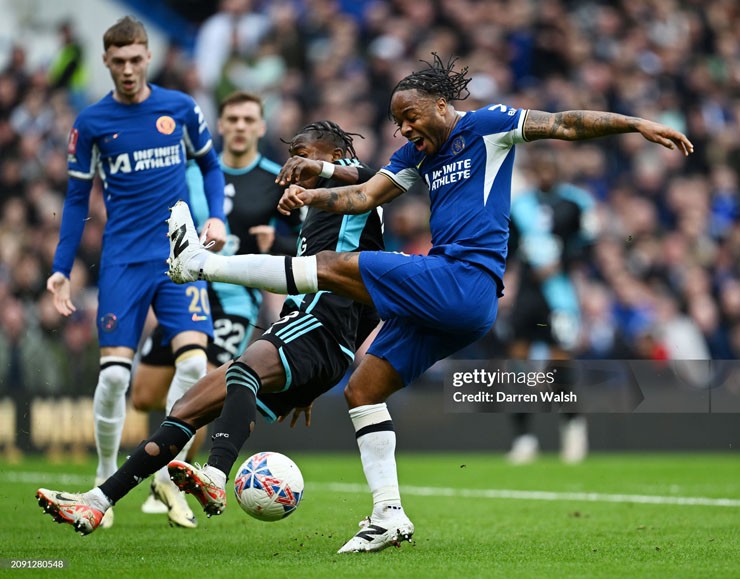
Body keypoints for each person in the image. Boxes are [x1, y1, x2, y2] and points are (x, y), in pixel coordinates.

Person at [158, 53, 692, 553]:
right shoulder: (416, 155)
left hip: (466, 278)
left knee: (334, 269)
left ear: (442, 104)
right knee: (364, 387)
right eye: (398, 122)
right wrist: (315, 193)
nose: (405, 129)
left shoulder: (488, 126)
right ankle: (389, 514)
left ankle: (200, 265)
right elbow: (363, 197)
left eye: (410, 118)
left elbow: (566, 124)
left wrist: (635, 123)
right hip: (446, 296)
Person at [35, 121, 383, 535]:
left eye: (305, 153)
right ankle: (96, 502)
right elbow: (372, 306)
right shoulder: (321, 211)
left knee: (243, 370)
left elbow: (369, 180)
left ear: (337, 156)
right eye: (295, 153)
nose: (296, 161)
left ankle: (216, 474)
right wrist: (331, 365)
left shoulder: (364, 192)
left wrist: (335, 352)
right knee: (185, 409)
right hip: (309, 337)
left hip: (317, 328)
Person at [44, 16, 227, 530]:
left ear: (148, 57)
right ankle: (104, 477)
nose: (127, 69)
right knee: (114, 379)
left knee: (194, 365)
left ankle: (168, 472)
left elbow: (211, 166)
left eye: (135, 59)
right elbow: (77, 198)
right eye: (117, 61)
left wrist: (215, 216)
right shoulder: (92, 123)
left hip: (177, 259)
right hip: (123, 260)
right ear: (106, 61)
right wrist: (61, 269)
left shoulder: (180, 108)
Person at [133, 90, 301, 515]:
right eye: (233, 119)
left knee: (204, 387)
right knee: (143, 395)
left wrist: (276, 241)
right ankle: (173, 449)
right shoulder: (194, 173)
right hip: (186, 295)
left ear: (261, 127)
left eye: (249, 119)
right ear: (220, 125)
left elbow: (304, 245)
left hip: (233, 303)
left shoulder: (275, 179)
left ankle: (169, 483)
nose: (241, 126)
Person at [505, 146, 597, 465]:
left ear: (558, 169)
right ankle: (524, 438)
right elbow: (511, 248)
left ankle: (572, 428)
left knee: (559, 365)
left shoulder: (576, 202)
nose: (544, 170)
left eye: (549, 165)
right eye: (539, 165)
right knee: (518, 365)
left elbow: (587, 245)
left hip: (560, 294)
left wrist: (562, 263)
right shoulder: (521, 205)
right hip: (528, 294)